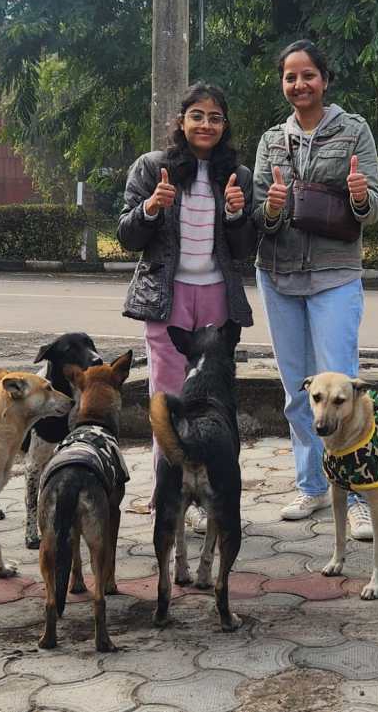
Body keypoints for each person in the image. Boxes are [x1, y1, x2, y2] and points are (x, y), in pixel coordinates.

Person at [251, 40, 378, 540]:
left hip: (334, 274)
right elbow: (256, 215)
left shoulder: (353, 131)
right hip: (279, 274)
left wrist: (359, 197)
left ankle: (354, 496)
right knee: (298, 391)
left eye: (308, 75)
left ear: (324, 79)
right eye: (290, 77)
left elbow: (375, 205)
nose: (299, 85)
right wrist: (269, 207)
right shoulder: (271, 141)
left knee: (342, 388)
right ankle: (311, 485)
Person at [118, 82, 255, 533]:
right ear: (181, 121)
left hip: (217, 295)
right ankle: (168, 492)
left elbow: (243, 249)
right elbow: (127, 237)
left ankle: (214, 492)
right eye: (197, 115)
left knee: (213, 398)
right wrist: (152, 207)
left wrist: (237, 214)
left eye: (215, 117)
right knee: (168, 396)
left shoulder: (237, 173)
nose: (206, 125)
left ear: (224, 125)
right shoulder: (151, 167)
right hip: (167, 296)